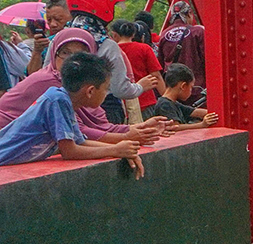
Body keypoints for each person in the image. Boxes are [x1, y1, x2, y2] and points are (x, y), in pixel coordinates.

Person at [0, 28, 165, 143]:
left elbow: (96, 126)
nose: (73, 60)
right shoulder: (52, 84)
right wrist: (128, 135)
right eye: (65, 53)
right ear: (54, 53)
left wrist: (141, 128)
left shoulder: (80, 86)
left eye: (81, 54)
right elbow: (78, 133)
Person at [0, 52, 145, 179]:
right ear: (90, 91)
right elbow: (69, 151)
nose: (106, 93)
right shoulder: (57, 100)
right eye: (106, 88)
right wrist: (114, 150)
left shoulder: (64, 101)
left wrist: (121, 149)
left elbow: (80, 142)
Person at [66, 0, 157, 124]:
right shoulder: (106, 44)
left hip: (68, 111)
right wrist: (141, 86)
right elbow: (121, 89)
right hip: (103, 111)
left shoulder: (59, 40)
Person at [109, 19, 166, 120]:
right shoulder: (144, 49)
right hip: (146, 101)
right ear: (133, 34)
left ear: (114, 35)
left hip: (121, 103)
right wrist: (166, 98)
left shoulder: (111, 52)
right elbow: (156, 76)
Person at [157, 1, 206, 100]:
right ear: (189, 14)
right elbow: (208, 60)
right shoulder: (197, 32)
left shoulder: (164, 34)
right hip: (196, 90)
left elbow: (160, 65)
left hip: (174, 91)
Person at [152, 64, 219, 130]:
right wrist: (202, 125)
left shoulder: (173, 103)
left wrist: (214, 114)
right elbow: (175, 127)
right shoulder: (164, 105)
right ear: (183, 86)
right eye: (191, 87)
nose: (191, 91)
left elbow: (195, 112)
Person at [25, 0, 72, 75]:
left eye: (58, 19)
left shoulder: (86, 40)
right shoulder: (47, 43)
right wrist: (37, 51)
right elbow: (31, 75)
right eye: (49, 20)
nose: (53, 24)